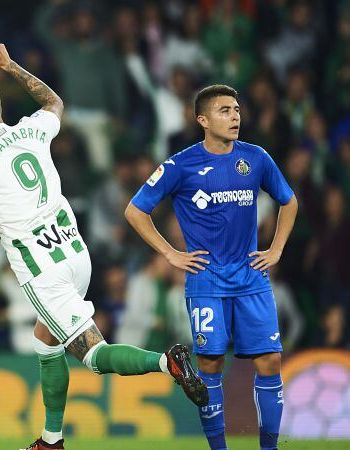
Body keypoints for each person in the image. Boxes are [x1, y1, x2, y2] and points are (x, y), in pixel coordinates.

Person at [0, 33, 208, 450]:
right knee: (45, 340)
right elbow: (54, 102)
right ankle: (52, 440)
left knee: (92, 355)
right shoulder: (32, 129)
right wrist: (9, 64)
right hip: (75, 254)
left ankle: (167, 362)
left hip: (42, 270)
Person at [125, 85, 298, 450]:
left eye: (236, 109)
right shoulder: (180, 165)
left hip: (251, 276)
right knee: (211, 364)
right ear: (202, 120)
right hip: (206, 280)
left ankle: (270, 448)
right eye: (224, 110)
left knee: (270, 361)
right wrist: (171, 253)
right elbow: (135, 211)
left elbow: (289, 200)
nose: (235, 116)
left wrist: (277, 247)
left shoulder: (256, 158)